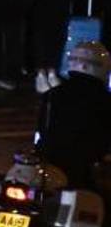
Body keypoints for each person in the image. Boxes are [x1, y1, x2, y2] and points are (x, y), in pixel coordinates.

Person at [35, 41, 111, 188]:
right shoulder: (105, 102)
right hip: (80, 173)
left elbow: (42, 129)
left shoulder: (53, 94)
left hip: (45, 166)